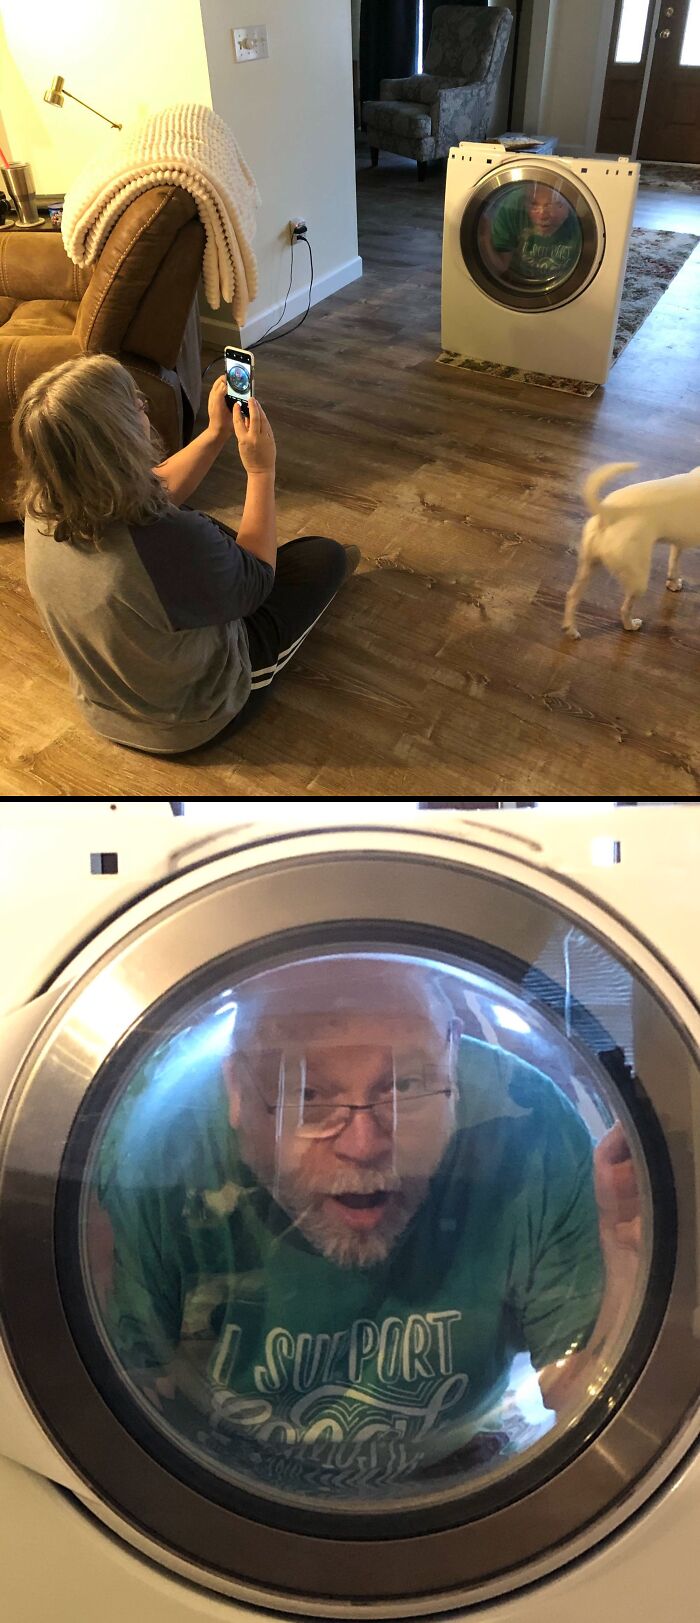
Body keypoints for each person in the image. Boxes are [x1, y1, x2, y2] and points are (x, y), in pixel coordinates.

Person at [95, 957, 641, 1500]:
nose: (364, 1145)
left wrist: (626, 1254)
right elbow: (118, 1405)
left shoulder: (527, 1125)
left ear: (450, 1059)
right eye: (306, 1094)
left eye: (405, 1085)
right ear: (237, 1088)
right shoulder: (162, 1147)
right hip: (215, 1488)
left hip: (467, 1487)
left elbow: (586, 1398)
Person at [12, 354, 359, 754]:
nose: (145, 410)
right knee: (322, 557)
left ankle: (226, 573)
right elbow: (259, 581)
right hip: (194, 716)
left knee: (210, 533)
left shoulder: (44, 506)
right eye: (137, 406)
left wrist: (215, 433)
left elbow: (153, 494)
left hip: (104, 705)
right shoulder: (166, 543)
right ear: (118, 438)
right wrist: (262, 471)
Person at [480, 181, 582, 285]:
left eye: (556, 205)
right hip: (517, 284)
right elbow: (500, 267)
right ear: (525, 203)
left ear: (572, 204)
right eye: (534, 205)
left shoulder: (585, 220)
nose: (543, 215)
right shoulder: (511, 207)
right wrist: (484, 238)